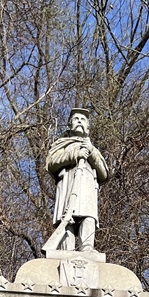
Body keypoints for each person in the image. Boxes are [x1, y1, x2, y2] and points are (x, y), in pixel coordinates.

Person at [43, 108, 108, 254]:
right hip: (67, 185)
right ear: (69, 125)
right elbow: (51, 163)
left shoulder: (92, 148)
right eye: (76, 119)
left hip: (87, 188)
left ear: (88, 127)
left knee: (88, 217)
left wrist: (90, 153)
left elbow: (104, 173)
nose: (79, 121)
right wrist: (74, 154)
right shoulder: (62, 144)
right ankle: (67, 250)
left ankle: (87, 247)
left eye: (83, 119)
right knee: (66, 219)